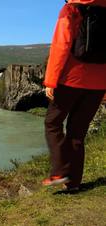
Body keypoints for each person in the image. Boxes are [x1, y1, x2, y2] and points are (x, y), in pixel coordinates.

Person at [43, 0, 106, 191]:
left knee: (52, 123)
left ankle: (60, 172)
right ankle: (73, 183)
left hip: (71, 78)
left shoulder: (71, 9)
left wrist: (51, 81)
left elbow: (60, 46)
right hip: (99, 82)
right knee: (77, 132)